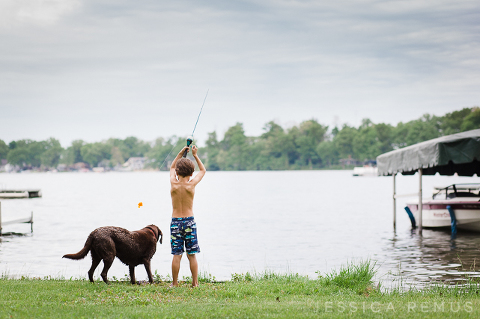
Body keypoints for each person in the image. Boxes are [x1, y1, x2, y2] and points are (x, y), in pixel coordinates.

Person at [169, 144, 206, 287]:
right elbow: (203, 170)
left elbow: (172, 167)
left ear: (177, 173)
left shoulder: (173, 183)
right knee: (192, 255)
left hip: (175, 223)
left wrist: (180, 153)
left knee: (176, 255)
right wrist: (195, 155)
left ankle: (174, 283)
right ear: (192, 174)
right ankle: (195, 283)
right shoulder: (192, 185)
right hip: (190, 222)